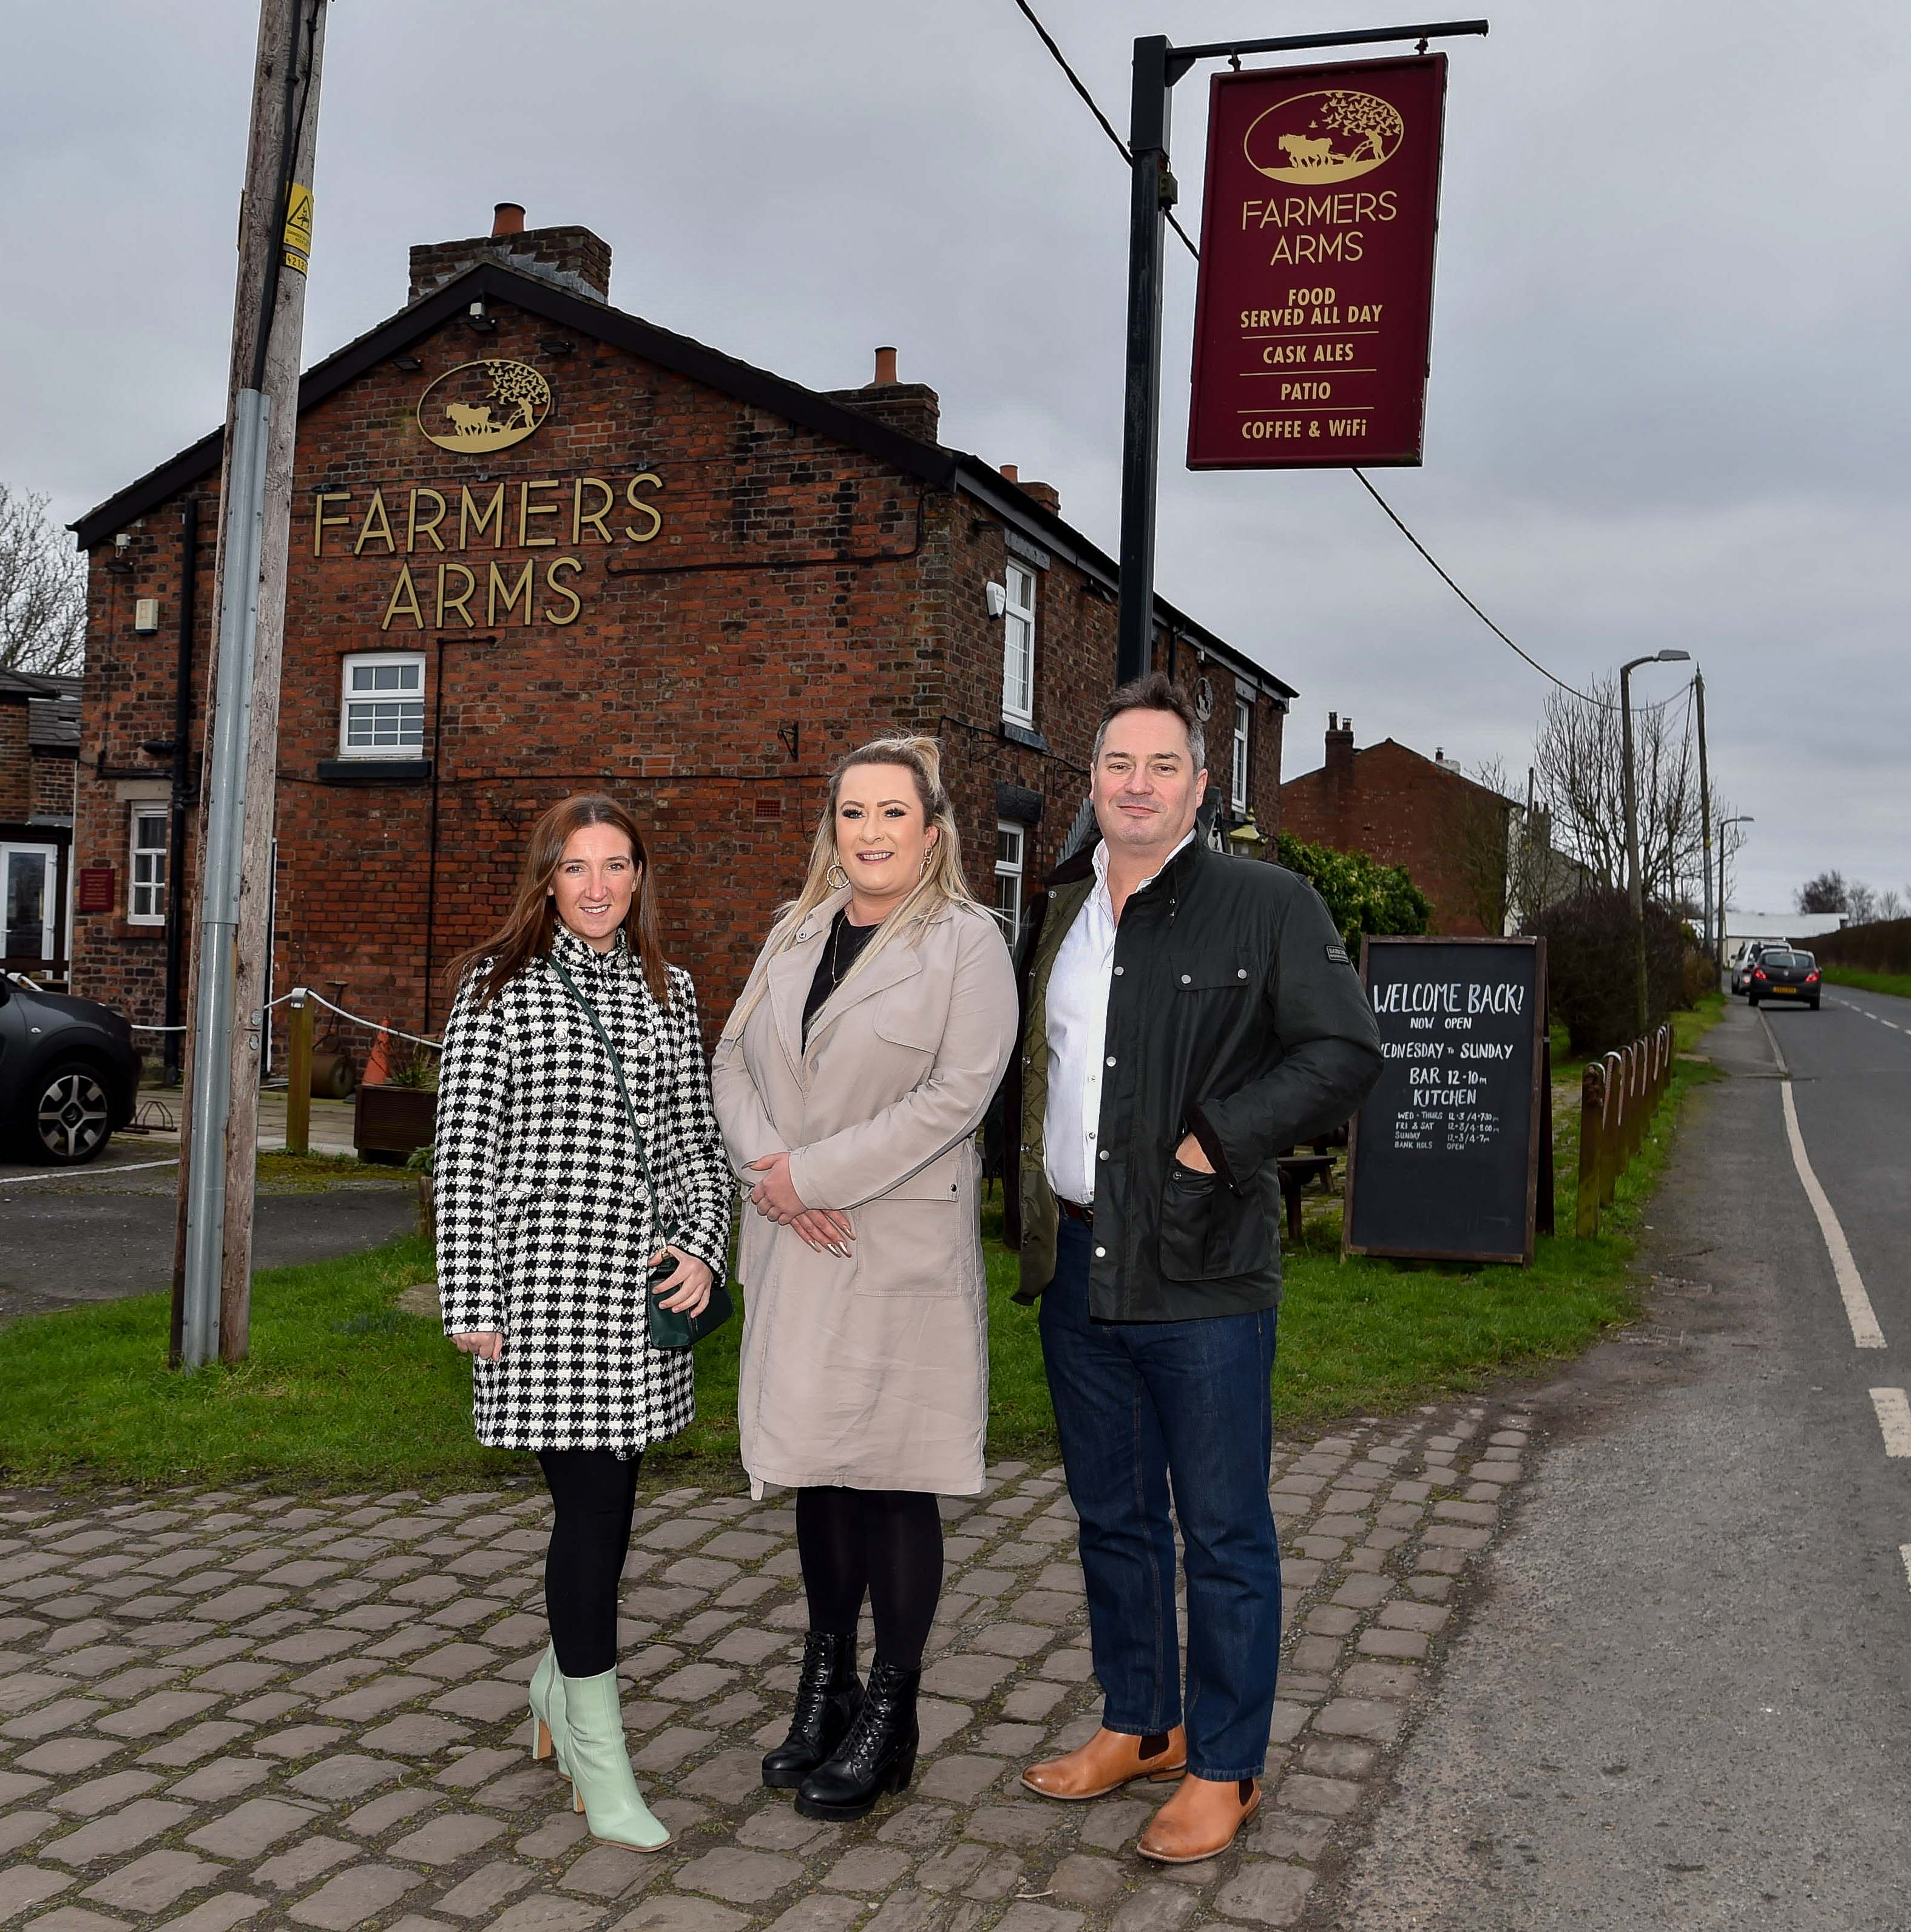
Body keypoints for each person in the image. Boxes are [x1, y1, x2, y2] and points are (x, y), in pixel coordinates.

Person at [1002, 675, 1382, 1865]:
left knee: (1221, 1530)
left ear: (1201, 787)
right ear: (1094, 781)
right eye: (1118, 764)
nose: (1138, 785)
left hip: (1204, 1274)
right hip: (1077, 1267)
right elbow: (1032, 1070)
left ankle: (1226, 1764)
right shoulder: (1064, 915)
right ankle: (1142, 1720)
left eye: (1163, 766)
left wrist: (1219, 1135)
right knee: (1112, 1517)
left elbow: (1345, 1048)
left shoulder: (1266, 904)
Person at [711, 735, 1016, 1822]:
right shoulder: (795, 932)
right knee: (818, 1467)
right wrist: (773, 1176)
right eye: (853, 813)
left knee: (891, 1472)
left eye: (894, 814)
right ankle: (826, 1678)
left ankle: (892, 1708)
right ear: (829, 827)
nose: (872, 833)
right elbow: (730, 1060)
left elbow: (958, 1095)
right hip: (799, 1244)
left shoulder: (968, 945)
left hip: (893, 1249)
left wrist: (816, 1172)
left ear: (932, 832)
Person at [435, 792, 732, 1854]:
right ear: (545, 879)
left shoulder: (672, 988)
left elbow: (698, 1149)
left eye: (615, 866)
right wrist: (470, 1299)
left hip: (640, 1297)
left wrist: (703, 1246)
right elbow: (464, 1157)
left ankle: (559, 1693)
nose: (598, 886)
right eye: (576, 868)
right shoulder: (498, 986)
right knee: (594, 1512)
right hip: (543, 1297)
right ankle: (601, 1759)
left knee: (610, 1513)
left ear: (640, 876)